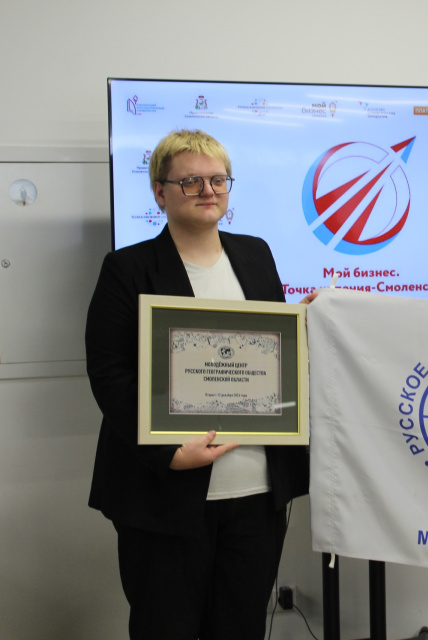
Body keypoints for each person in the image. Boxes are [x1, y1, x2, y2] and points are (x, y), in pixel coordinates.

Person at [85, 129, 316, 640]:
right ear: (160, 192)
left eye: (218, 180)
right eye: (190, 181)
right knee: (164, 628)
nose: (208, 191)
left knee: (241, 628)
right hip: (165, 494)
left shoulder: (255, 254)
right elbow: (109, 372)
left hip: (257, 490)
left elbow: (269, 356)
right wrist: (167, 451)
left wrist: (303, 323)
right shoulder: (127, 268)